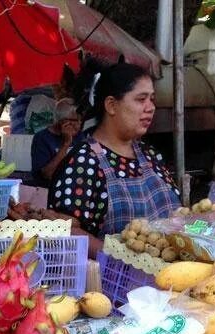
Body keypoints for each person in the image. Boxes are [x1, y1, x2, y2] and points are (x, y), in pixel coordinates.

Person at [48, 61, 181, 258]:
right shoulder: (83, 164)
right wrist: (119, 258)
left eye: (152, 99)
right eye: (140, 99)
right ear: (111, 105)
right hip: (113, 282)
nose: (151, 107)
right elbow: (67, 230)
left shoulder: (150, 155)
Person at [30, 99, 83, 188]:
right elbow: (48, 175)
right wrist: (66, 144)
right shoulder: (42, 139)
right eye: (76, 120)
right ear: (64, 122)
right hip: (51, 191)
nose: (79, 124)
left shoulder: (80, 136)